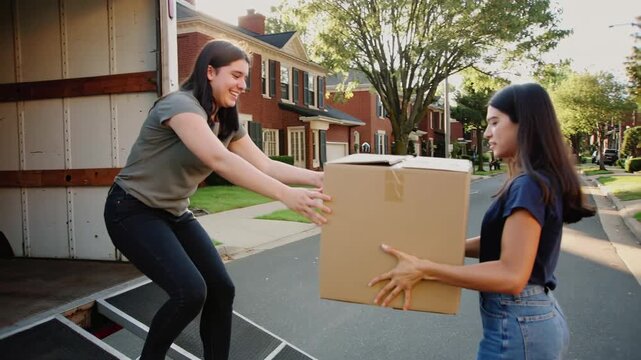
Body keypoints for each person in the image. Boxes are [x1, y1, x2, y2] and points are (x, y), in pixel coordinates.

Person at [103, 39, 331, 360]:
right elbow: (217, 159)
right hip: (131, 211)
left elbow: (264, 164)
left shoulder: (226, 121)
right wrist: (286, 195)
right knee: (190, 292)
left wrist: (321, 178)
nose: (243, 85)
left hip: (174, 214)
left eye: (245, 78)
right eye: (236, 76)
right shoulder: (179, 106)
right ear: (210, 72)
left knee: (221, 290)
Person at [368, 83, 595, 359]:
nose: (487, 133)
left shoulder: (528, 185)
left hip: (520, 326)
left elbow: (511, 276)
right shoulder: (534, 181)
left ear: (525, 125)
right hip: (530, 320)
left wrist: (426, 269)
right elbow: (500, 244)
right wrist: (440, 251)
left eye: (495, 122)